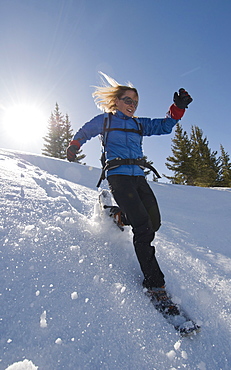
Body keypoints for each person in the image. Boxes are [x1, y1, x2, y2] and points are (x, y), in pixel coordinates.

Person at [67, 72, 192, 299]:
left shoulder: (138, 124)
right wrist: (75, 144)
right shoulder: (105, 121)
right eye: (128, 100)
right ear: (116, 101)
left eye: (135, 102)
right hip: (119, 176)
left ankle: (119, 216)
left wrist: (177, 108)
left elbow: (164, 126)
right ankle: (155, 284)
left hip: (138, 177)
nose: (132, 105)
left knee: (154, 222)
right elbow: (85, 131)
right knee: (143, 228)